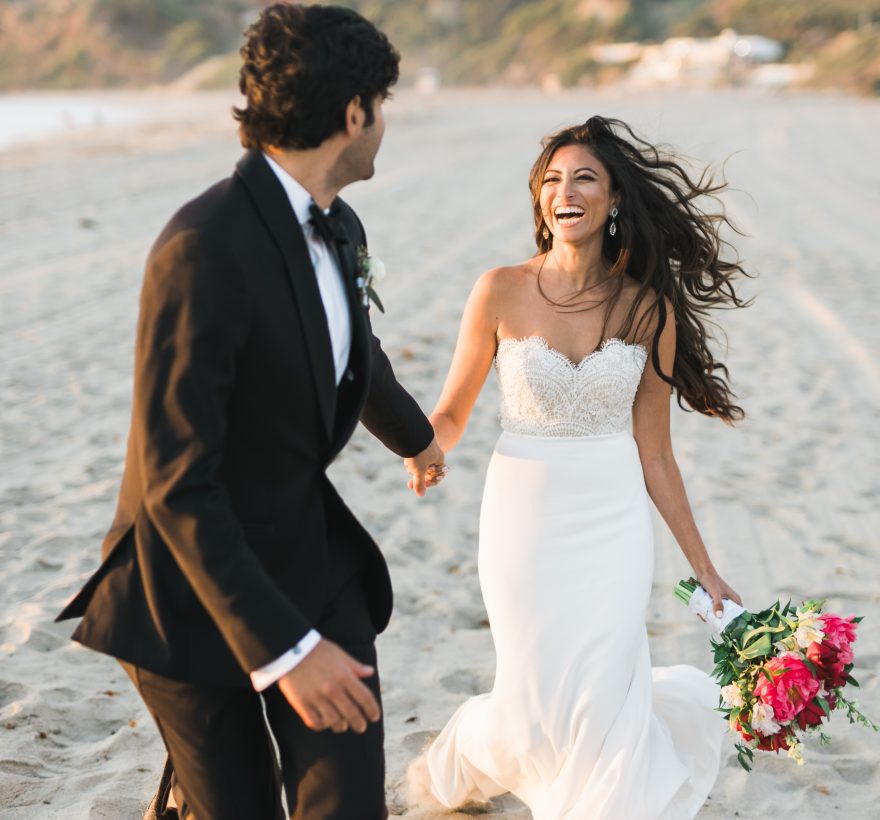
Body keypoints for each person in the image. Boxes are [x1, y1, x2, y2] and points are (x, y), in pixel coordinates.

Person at [55, 5, 444, 819]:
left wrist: (417, 439)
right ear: (354, 113)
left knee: (346, 804)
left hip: (309, 556)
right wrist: (289, 653)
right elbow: (176, 484)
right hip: (186, 592)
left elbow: (353, 355)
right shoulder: (204, 246)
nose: (385, 125)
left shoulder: (339, 227)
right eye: (384, 106)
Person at [406, 116, 748, 819]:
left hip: (612, 516)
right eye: (552, 180)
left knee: (601, 682)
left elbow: (655, 453)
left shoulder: (648, 309)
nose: (565, 190)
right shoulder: (499, 288)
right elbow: (451, 413)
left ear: (614, 199)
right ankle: (479, 748)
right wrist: (423, 447)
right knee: (530, 691)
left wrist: (705, 569)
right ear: (540, 200)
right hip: (522, 516)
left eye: (584, 177)